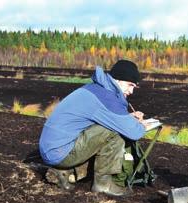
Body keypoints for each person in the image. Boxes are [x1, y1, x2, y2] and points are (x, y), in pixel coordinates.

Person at [39, 60, 148, 196]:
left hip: (53, 148)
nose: (131, 91)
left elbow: (100, 117)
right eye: (130, 85)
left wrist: (128, 117)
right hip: (60, 153)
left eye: (134, 87)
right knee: (115, 132)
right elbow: (135, 132)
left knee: (110, 128)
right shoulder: (108, 98)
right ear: (117, 80)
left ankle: (68, 172)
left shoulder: (96, 89)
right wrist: (141, 124)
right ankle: (104, 185)